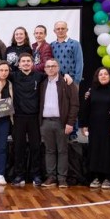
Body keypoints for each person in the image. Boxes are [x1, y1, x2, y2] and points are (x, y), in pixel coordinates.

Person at [39, 58, 79, 188]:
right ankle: (51, 177)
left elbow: (74, 104)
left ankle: (62, 179)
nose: (50, 68)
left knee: (62, 151)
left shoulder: (67, 83)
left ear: (58, 68)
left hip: (61, 123)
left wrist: (70, 123)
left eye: (53, 66)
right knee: (49, 150)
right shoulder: (42, 84)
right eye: (48, 66)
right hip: (45, 123)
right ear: (45, 69)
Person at [9, 53, 48, 187]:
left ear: (32, 63)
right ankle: (19, 175)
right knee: (18, 147)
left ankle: (36, 175)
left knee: (35, 147)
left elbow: (54, 75)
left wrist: (66, 75)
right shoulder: (13, 76)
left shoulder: (39, 76)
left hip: (34, 117)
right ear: (19, 64)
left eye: (28, 61)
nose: (25, 63)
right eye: (23, 61)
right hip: (18, 117)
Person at [80, 67, 110, 189]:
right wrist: (84, 125)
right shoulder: (92, 90)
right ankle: (96, 177)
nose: (103, 76)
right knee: (95, 151)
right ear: (97, 77)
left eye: (105, 74)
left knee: (108, 152)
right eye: (100, 74)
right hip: (94, 127)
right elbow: (86, 108)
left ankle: (107, 177)